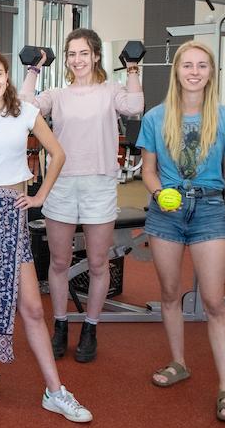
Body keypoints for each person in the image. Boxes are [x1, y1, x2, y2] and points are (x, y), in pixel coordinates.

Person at [0, 49, 92, 422]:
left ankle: (55, 392)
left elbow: (57, 155)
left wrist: (40, 196)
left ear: (7, 76)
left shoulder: (26, 113)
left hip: (11, 213)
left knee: (29, 306)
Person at [18, 29, 143, 362]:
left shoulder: (110, 91)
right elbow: (24, 106)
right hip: (61, 184)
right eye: (72, 54)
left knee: (99, 263)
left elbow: (135, 105)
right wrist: (33, 71)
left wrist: (132, 67)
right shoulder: (57, 95)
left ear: (97, 56)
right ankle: (60, 325)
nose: (77, 60)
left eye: (84, 53)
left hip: (99, 184)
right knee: (59, 262)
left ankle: (90, 326)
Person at [137, 41, 225, 423]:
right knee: (168, 294)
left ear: (211, 72)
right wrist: (158, 192)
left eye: (202, 65)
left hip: (211, 211)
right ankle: (178, 362)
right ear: (177, 71)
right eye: (187, 65)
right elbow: (147, 170)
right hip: (167, 213)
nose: (194, 71)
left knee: (214, 302)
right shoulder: (155, 117)